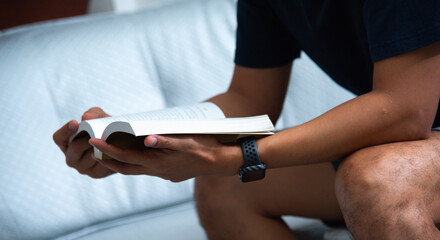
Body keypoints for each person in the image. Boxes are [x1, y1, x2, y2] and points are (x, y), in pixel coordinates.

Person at [53, 1, 440, 239]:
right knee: (224, 190)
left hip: (417, 134)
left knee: (375, 178)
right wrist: (130, 138)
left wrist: (243, 155)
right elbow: (250, 98)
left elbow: (404, 111)